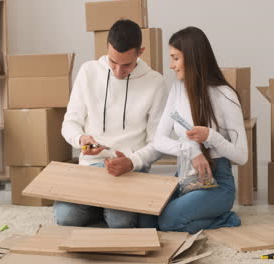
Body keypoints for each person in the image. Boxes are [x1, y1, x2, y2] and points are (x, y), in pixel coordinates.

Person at [55, 19, 167, 228]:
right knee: (66, 217)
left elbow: (158, 142)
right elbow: (69, 123)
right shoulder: (88, 72)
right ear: (107, 48)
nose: (117, 71)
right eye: (113, 62)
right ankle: (103, 207)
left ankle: (106, 209)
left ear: (140, 52)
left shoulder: (155, 82)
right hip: (91, 168)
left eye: (126, 65)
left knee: (121, 223)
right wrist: (81, 139)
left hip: (130, 169)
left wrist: (132, 161)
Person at [138, 26, 247, 234]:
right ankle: (196, 210)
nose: (171, 65)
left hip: (217, 182)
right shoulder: (178, 89)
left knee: (168, 221)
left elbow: (242, 157)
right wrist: (192, 150)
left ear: (193, 57)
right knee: (145, 219)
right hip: (185, 175)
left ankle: (226, 218)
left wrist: (211, 136)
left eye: (175, 58)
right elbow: (159, 139)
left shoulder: (225, 95)